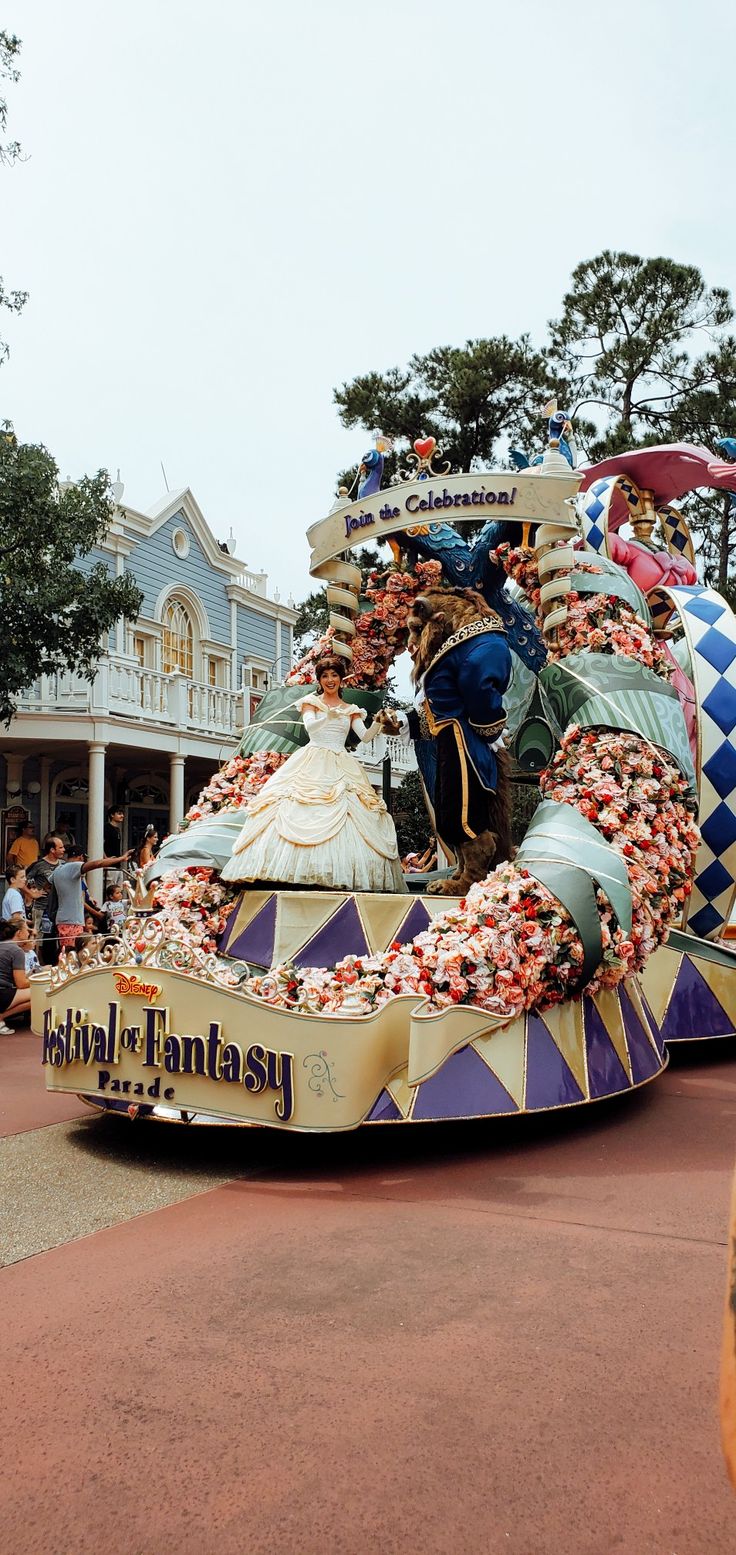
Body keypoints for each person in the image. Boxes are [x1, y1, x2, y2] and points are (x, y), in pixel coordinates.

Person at [221, 654, 406, 893]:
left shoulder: (351, 709)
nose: (330, 680)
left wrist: (378, 723)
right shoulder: (311, 701)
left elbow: (365, 736)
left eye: (334, 675)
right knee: (295, 806)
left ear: (341, 679)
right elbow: (310, 727)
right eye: (325, 676)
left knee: (349, 812)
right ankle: (286, 873)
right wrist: (328, 714)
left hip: (341, 762)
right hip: (313, 757)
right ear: (320, 680)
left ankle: (336, 874)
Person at [53, 842, 134, 955]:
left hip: (64, 919)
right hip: (72, 920)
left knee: (69, 952)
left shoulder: (57, 870)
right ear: (80, 857)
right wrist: (121, 858)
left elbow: (48, 885)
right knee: (71, 953)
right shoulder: (74, 867)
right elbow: (98, 863)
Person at [26, 833, 65, 965]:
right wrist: (33, 891)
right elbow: (26, 878)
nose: (63, 850)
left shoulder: (63, 864)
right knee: (39, 938)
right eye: (60, 847)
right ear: (52, 850)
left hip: (58, 908)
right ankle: (39, 964)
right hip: (41, 907)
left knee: (56, 937)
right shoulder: (39, 865)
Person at [0, 918, 32, 1032]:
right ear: (19, 933)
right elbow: (21, 984)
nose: (29, 933)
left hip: (4, 991)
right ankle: (1, 1017)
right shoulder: (16, 950)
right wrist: (38, 980)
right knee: (41, 993)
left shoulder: (3, 945)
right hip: (2, 993)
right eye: (27, 930)